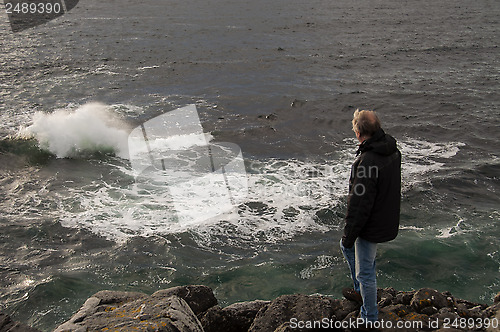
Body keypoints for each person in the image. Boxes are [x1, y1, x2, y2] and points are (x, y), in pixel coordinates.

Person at [340, 109, 401, 325]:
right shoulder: (391, 149)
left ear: (358, 132)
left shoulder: (366, 161)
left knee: (364, 270)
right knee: (365, 263)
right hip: (386, 217)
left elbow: (359, 205)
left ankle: (369, 318)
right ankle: (362, 294)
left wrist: (349, 234)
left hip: (371, 224)